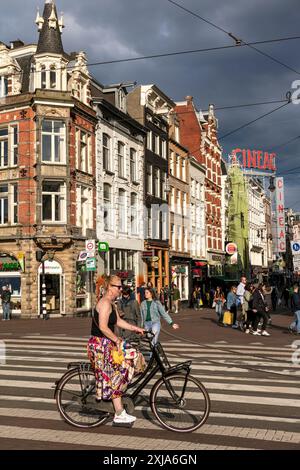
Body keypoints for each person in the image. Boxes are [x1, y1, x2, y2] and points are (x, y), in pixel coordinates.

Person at [87, 275, 145, 425]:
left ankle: (118, 402)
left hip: (107, 343)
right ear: (110, 287)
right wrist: (118, 340)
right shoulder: (105, 303)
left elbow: (118, 321)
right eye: (118, 287)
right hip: (100, 344)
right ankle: (119, 412)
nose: (120, 289)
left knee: (132, 359)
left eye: (121, 287)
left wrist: (136, 328)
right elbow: (103, 327)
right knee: (116, 373)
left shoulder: (112, 304)